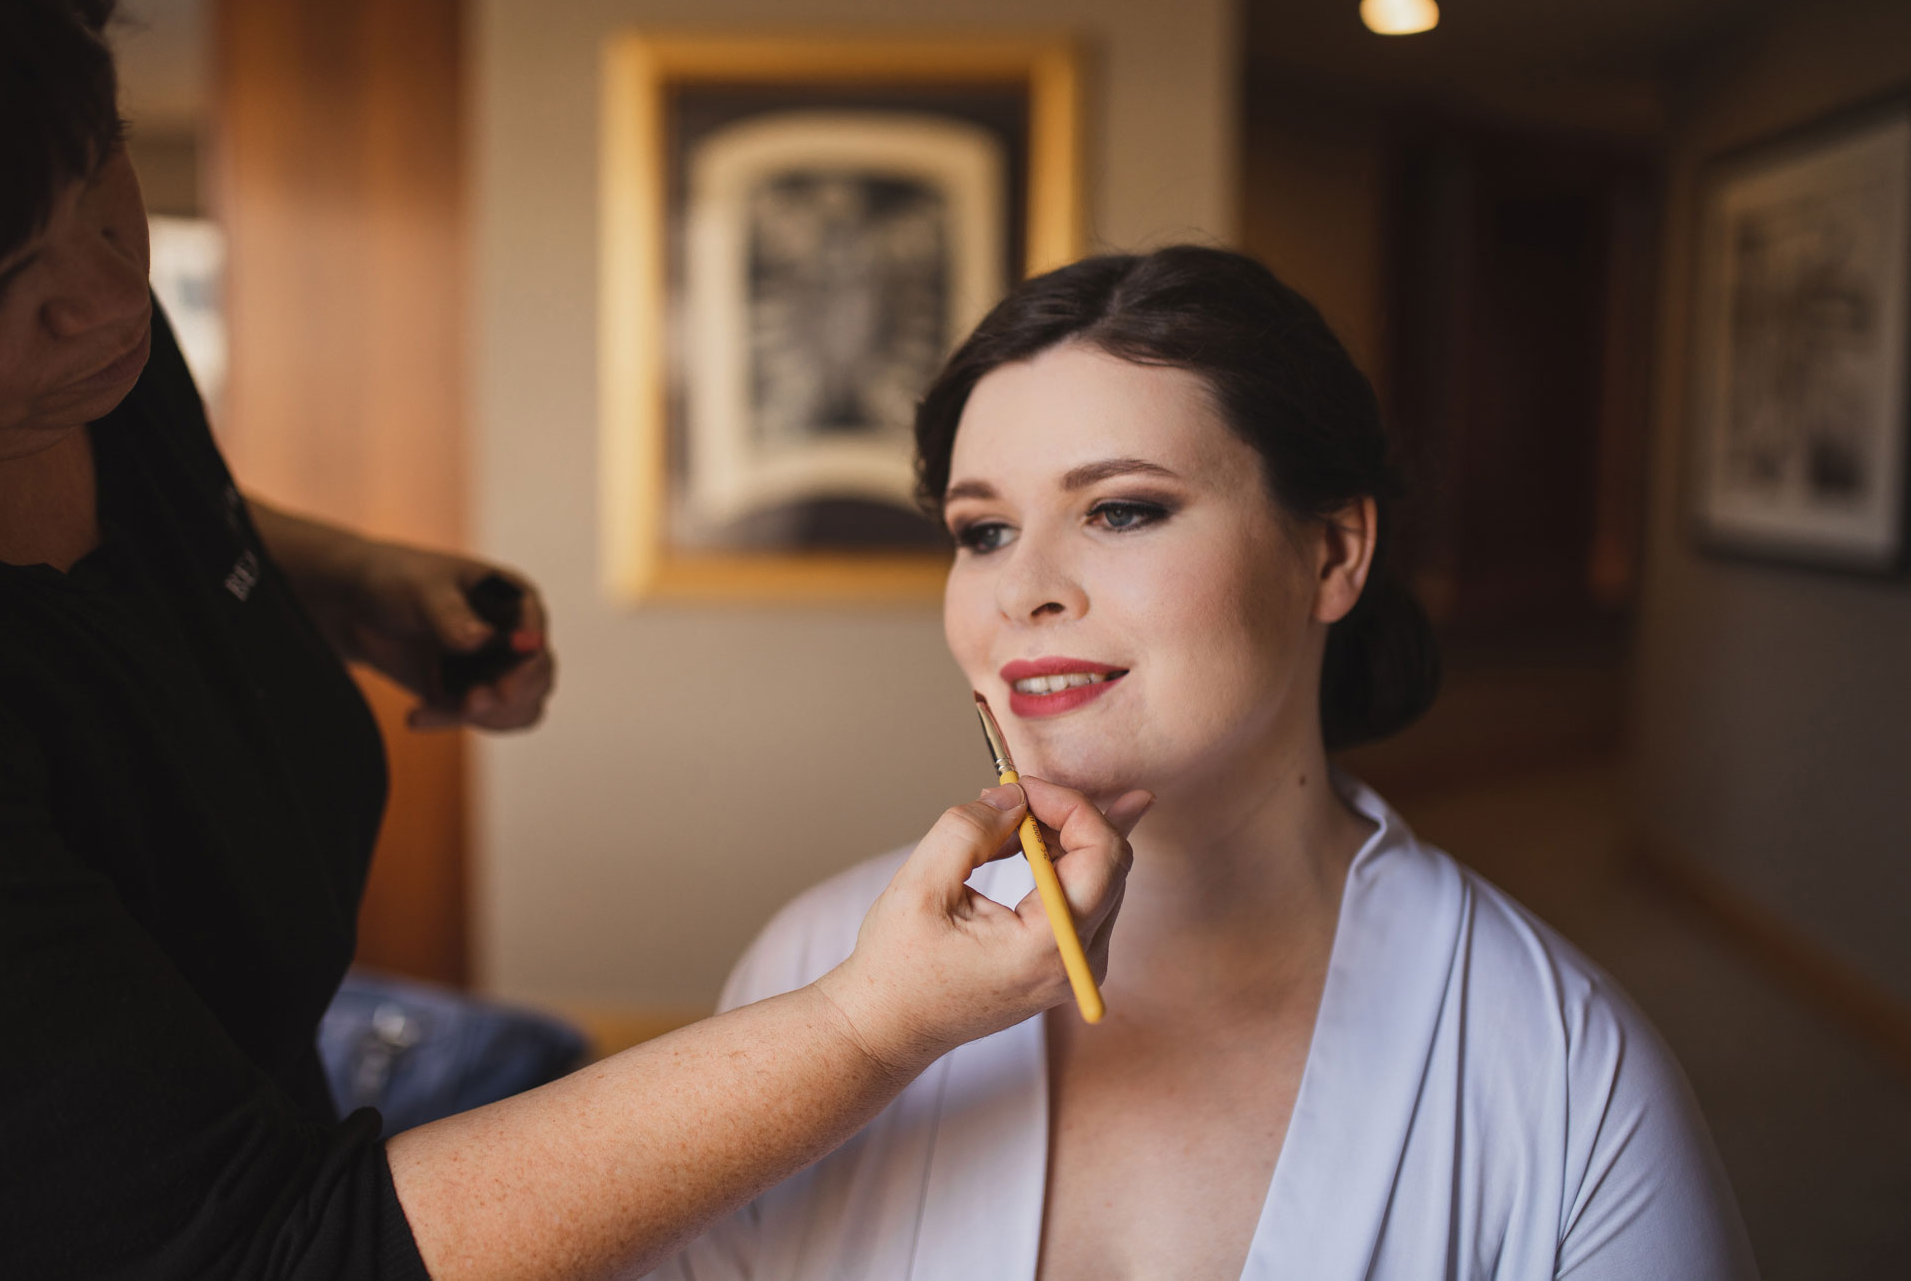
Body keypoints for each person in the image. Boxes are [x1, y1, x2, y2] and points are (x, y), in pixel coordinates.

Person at [0, 0, 1135, 1278]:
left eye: (101, 177)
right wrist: (864, 1028)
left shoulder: (80, 359)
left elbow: (150, 519)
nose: (101, 300)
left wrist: (343, 573)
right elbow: (271, 1249)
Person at [649, 247, 1761, 1280]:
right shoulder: (812, 963)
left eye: (1121, 509)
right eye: (980, 529)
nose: (1021, 587)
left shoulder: (1566, 1075)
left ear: (1330, 552)